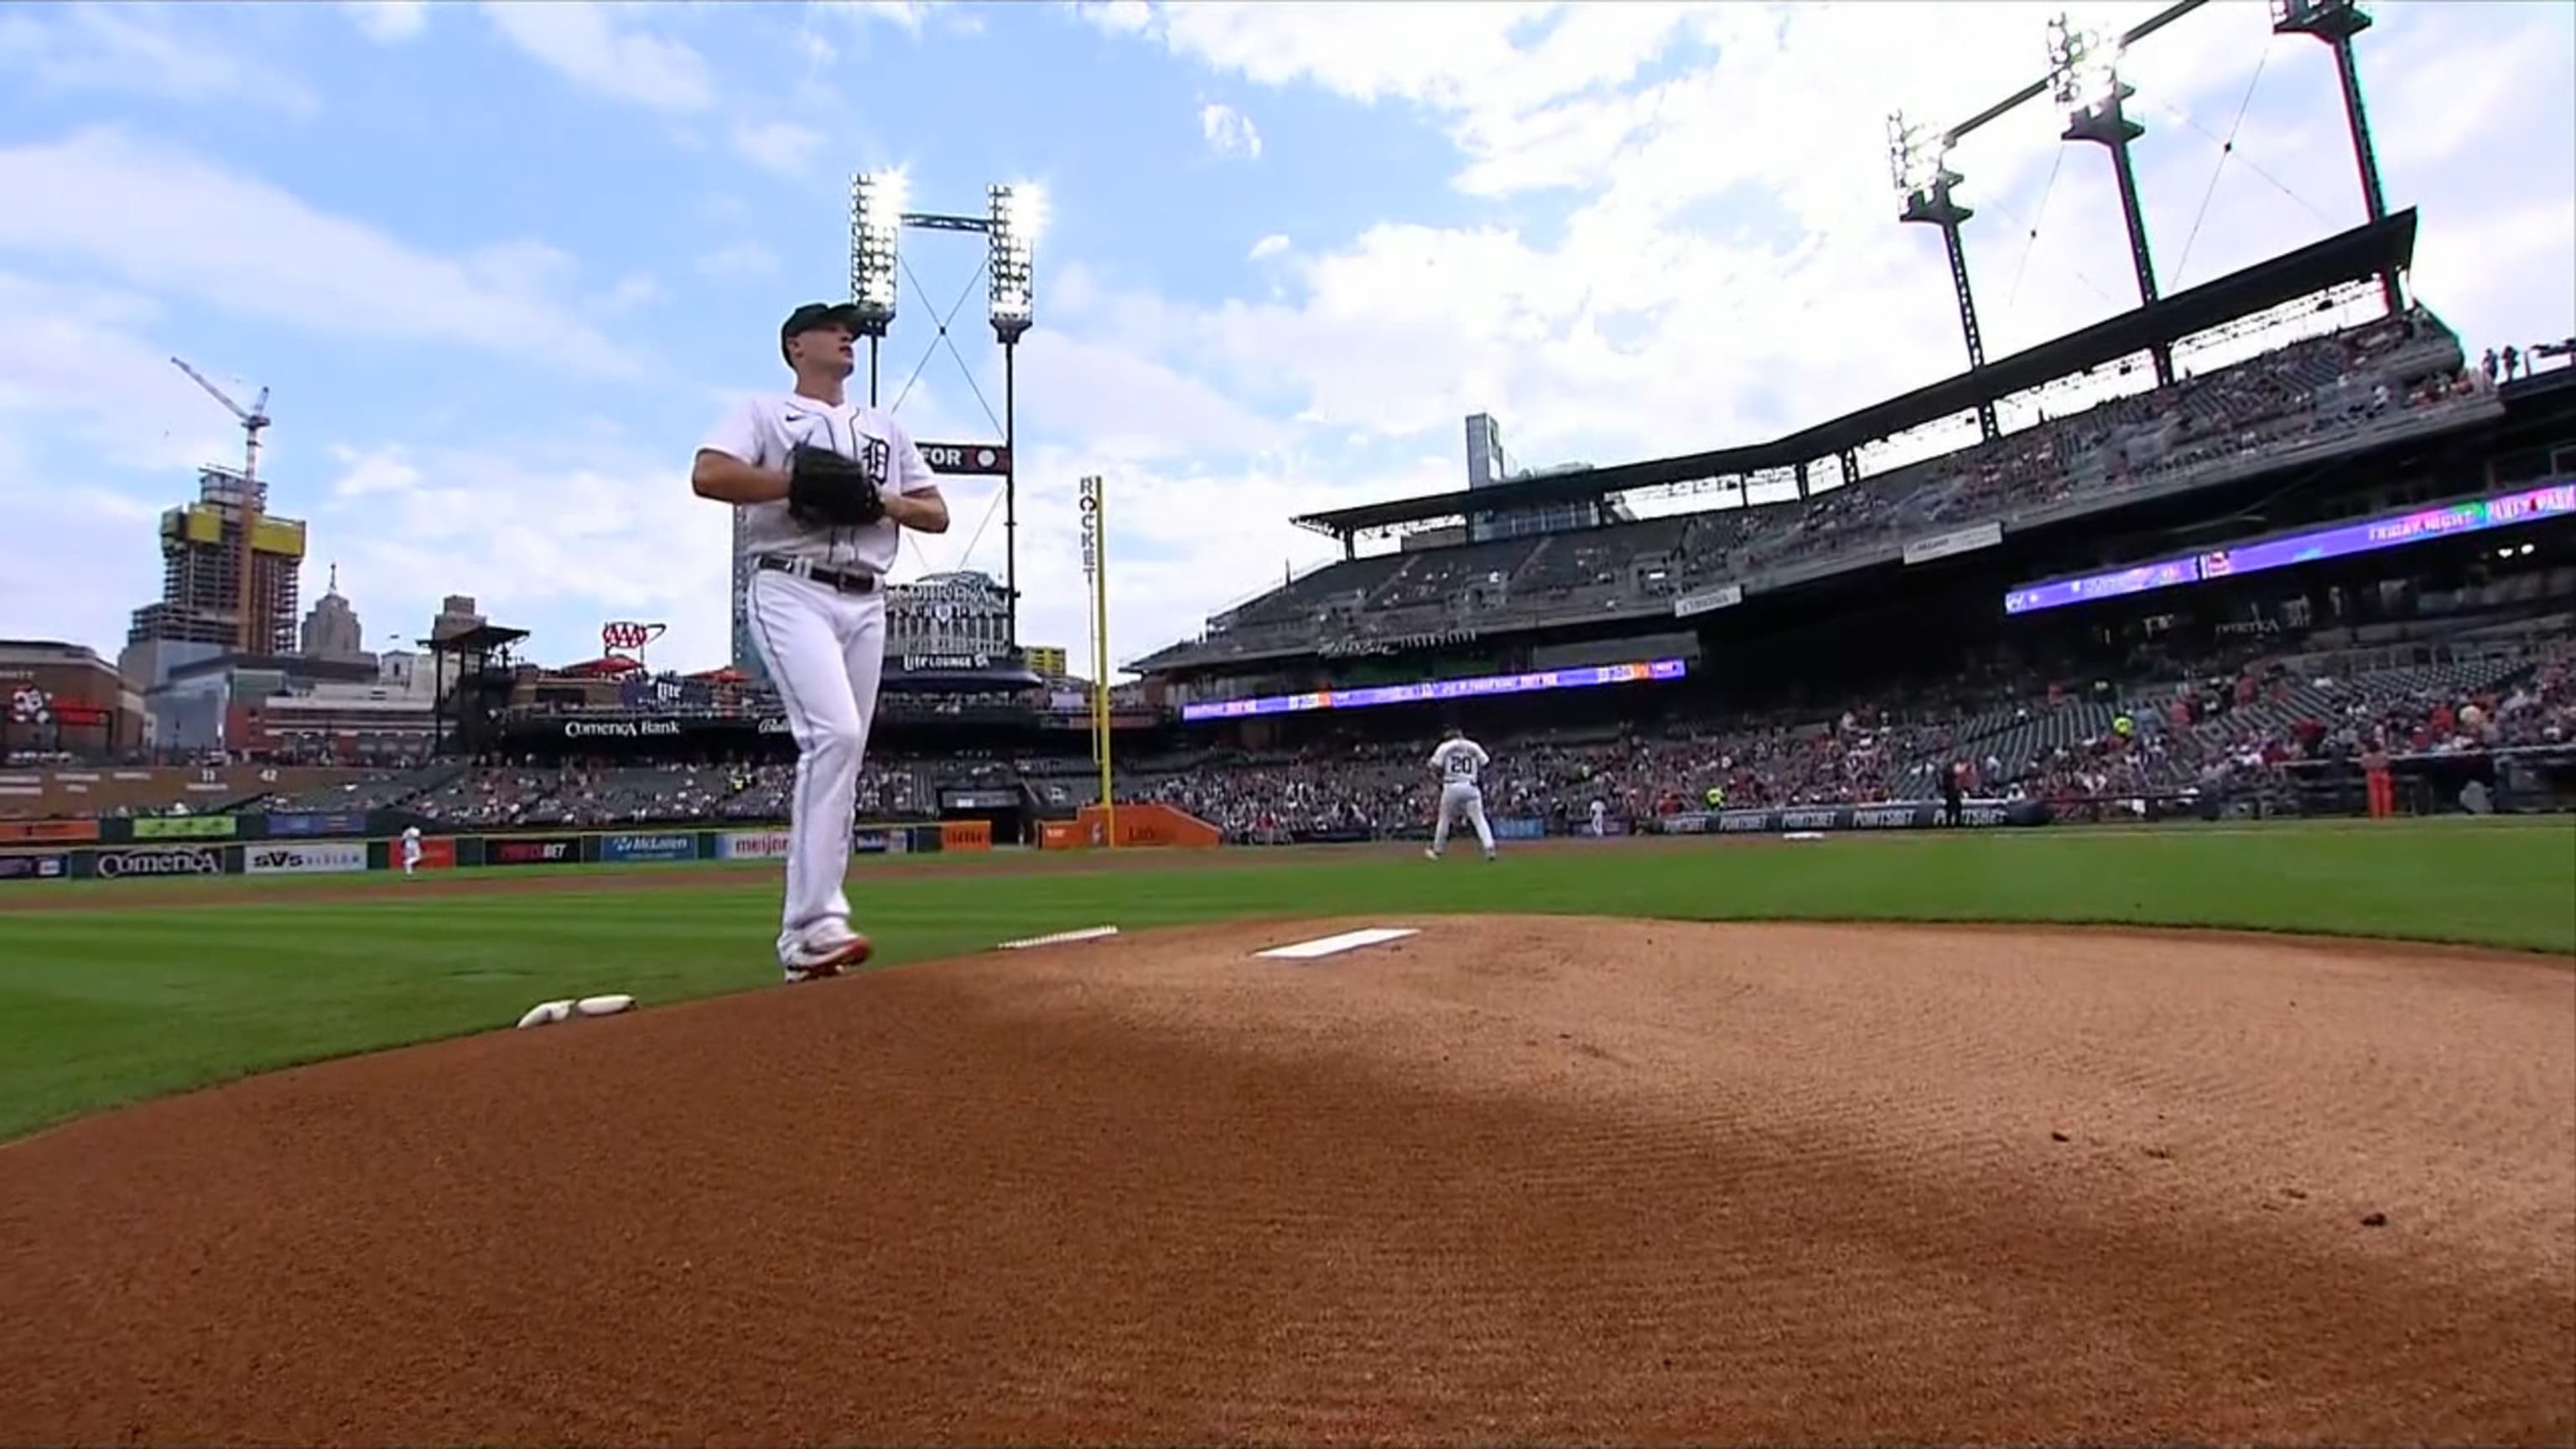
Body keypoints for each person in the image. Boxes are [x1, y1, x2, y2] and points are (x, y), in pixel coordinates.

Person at [692, 301, 949, 981]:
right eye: (833, 328)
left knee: (848, 749)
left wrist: (882, 502)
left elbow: (938, 513)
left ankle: (812, 940)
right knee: (832, 735)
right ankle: (812, 927)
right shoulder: (763, 411)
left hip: (868, 597)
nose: (848, 336)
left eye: (853, 330)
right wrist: (795, 481)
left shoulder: (884, 428)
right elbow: (710, 475)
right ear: (794, 345)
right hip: (791, 584)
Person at [1425, 726, 1496, 862]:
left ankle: (1437, 851)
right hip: (1471, 786)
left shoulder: (1445, 747)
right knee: (1480, 819)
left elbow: (1432, 766)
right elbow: (1486, 763)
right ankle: (1489, 848)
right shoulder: (1473, 746)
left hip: (1451, 785)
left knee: (1444, 819)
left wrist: (1438, 780)